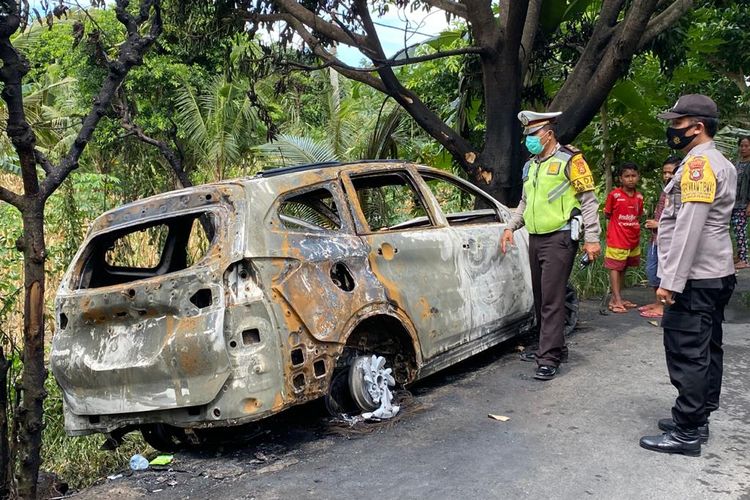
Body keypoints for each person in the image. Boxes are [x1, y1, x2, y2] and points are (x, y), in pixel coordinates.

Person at [640, 94, 736, 457]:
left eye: (678, 124)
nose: (673, 130)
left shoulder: (699, 166)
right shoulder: (718, 162)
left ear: (697, 127)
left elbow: (688, 227)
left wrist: (670, 281)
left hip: (695, 277)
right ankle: (699, 418)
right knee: (707, 348)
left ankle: (687, 431)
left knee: (687, 352)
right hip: (715, 272)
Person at [501, 110, 601, 381]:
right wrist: (511, 227)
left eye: (533, 135)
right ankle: (555, 347)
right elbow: (524, 202)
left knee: (552, 299)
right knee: (542, 298)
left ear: (548, 133)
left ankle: (549, 358)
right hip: (535, 237)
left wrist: (592, 239)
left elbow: (588, 201)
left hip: (560, 237)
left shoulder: (571, 160)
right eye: (527, 136)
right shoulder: (531, 165)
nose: (529, 140)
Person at [639, 157, 679, 318]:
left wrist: (659, 225)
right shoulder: (667, 189)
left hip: (668, 239)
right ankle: (657, 302)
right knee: (652, 271)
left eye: (671, 172)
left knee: (663, 273)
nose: (667, 175)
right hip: (656, 239)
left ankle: (662, 306)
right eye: (665, 172)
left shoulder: (679, 191)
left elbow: (681, 219)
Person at [603, 163, 644, 313]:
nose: (631, 179)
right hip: (617, 238)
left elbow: (638, 216)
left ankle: (617, 297)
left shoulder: (639, 197)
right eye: (627, 176)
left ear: (638, 177)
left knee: (624, 267)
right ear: (621, 178)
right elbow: (607, 214)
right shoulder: (614, 195)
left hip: (633, 238)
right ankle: (616, 300)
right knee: (615, 267)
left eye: (633, 176)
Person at [731, 136, 750, 269]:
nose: (743, 148)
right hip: (733, 202)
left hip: (744, 203)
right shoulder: (737, 163)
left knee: (740, 230)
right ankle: (739, 255)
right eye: (741, 145)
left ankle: (744, 259)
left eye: (746, 146)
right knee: (734, 230)